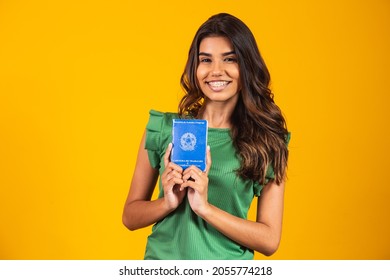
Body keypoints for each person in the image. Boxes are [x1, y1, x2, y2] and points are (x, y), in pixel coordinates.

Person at [122, 13, 290, 260]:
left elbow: (269, 240)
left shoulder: (266, 142)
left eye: (229, 59)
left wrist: (204, 208)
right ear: (195, 66)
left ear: (246, 67)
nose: (216, 71)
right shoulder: (163, 129)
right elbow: (130, 216)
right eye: (206, 60)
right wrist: (168, 202)